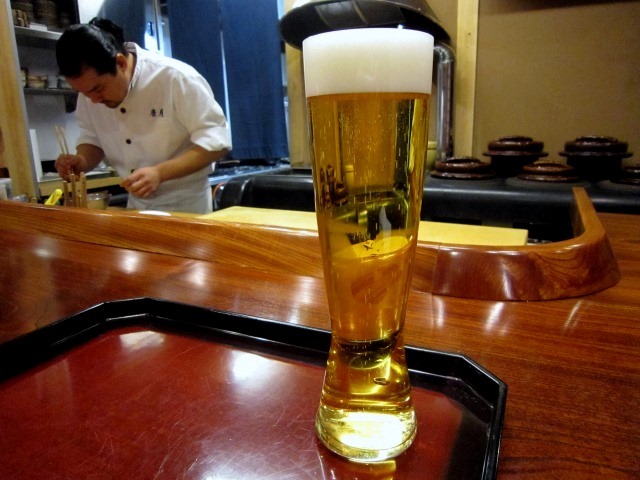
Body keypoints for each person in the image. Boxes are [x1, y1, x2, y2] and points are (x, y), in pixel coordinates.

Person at [54, 18, 231, 213]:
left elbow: (217, 143)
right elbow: (92, 138)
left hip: (187, 205)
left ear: (120, 62)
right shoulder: (89, 93)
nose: (94, 100)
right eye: (85, 93)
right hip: (136, 205)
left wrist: (160, 173)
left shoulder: (175, 77)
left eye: (98, 89)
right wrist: (82, 162)